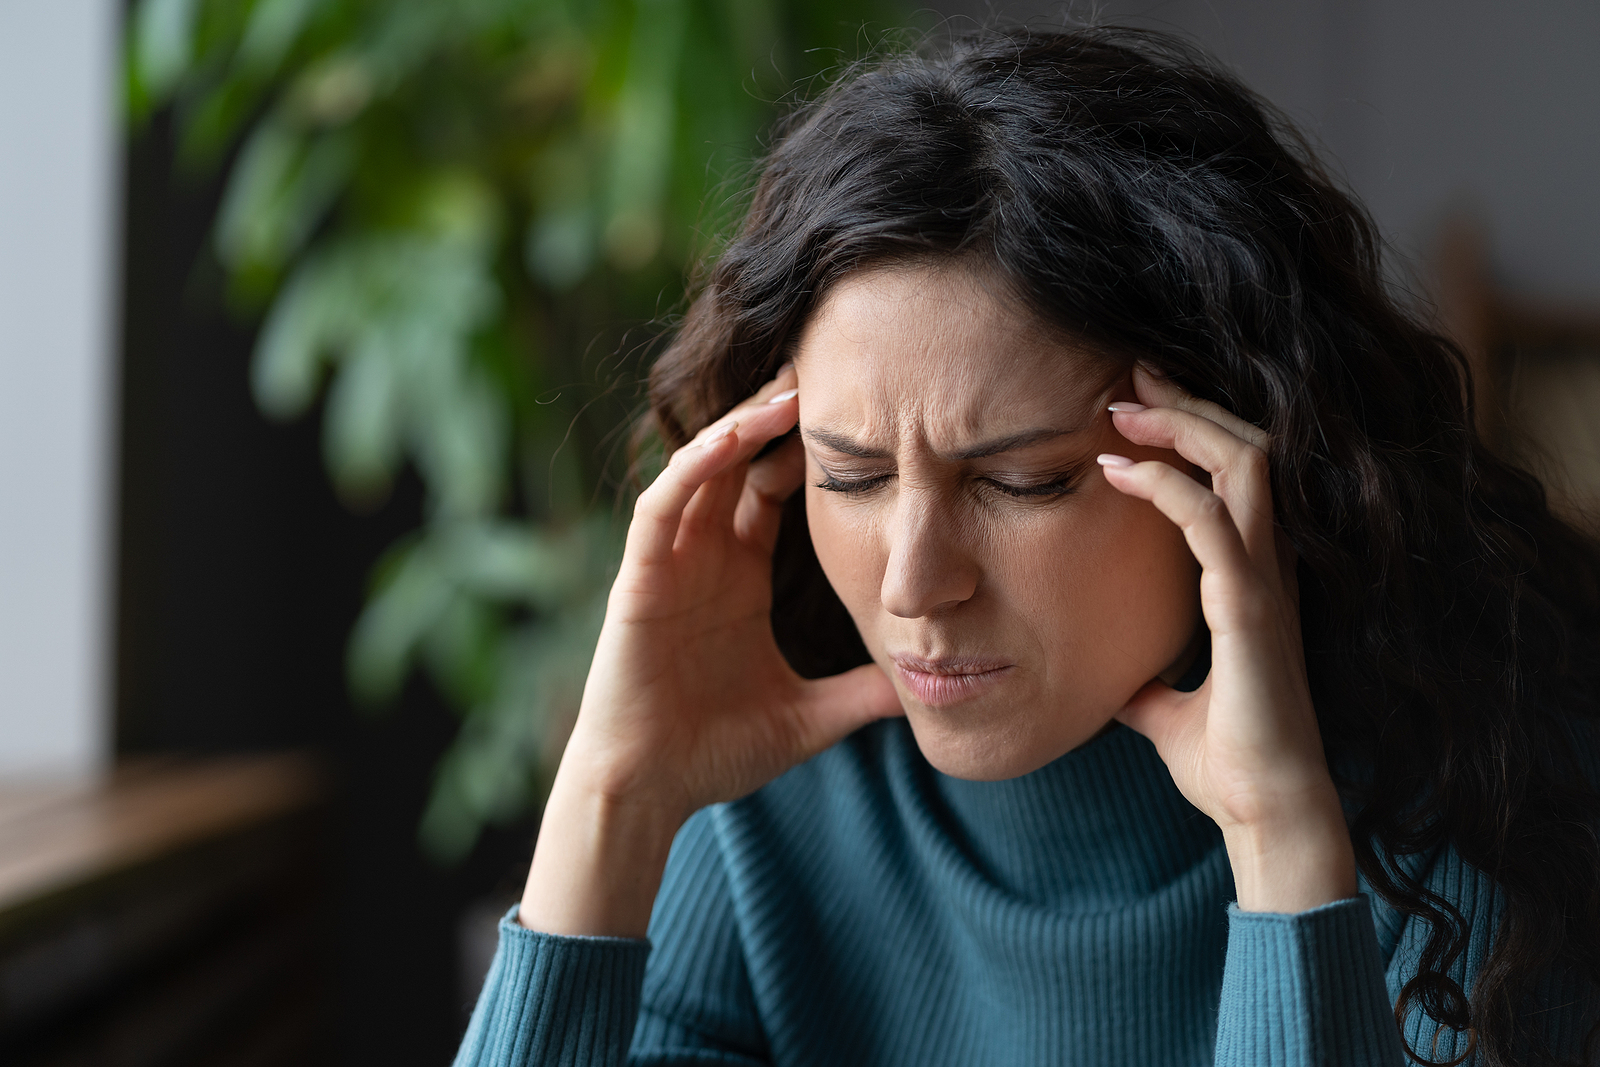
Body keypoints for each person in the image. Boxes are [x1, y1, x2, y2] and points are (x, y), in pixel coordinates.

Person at [453, 25, 1600, 1067]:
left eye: (1020, 479)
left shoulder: (1483, 800)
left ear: (1231, 453)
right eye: (848, 474)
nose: (912, 581)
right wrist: (608, 799)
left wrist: (1283, 843)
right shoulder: (765, 831)